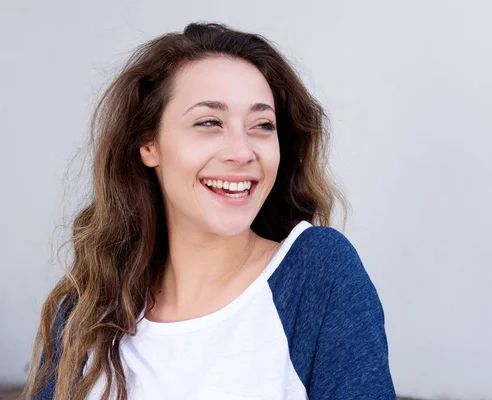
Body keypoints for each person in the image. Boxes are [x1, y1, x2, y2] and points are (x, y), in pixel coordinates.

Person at [24, 22, 396, 400]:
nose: (242, 151)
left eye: (262, 125)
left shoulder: (315, 274)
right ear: (148, 144)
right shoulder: (86, 310)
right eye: (209, 123)